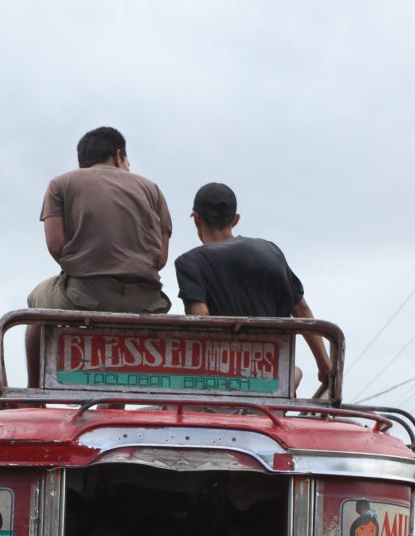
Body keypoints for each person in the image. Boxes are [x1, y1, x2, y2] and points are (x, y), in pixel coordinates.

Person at [25, 127, 172, 384]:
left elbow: (56, 245)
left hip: (85, 296)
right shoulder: (152, 189)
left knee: (35, 301)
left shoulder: (61, 184)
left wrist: (86, 267)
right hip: (147, 303)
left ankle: (35, 390)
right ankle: (114, 404)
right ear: (118, 155)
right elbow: (160, 258)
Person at [174, 182, 332, 391]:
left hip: (218, 380)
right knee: (295, 372)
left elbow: (200, 320)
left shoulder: (189, 263)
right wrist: (325, 367)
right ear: (235, 220)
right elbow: (302, 310)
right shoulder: (270, 251)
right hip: (272, 378)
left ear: (196, 218)